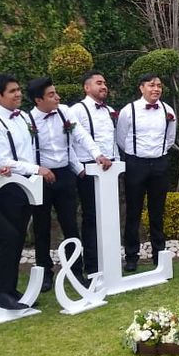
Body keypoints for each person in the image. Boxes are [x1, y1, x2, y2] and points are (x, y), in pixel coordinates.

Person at [26, 77, 112, 292]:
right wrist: (36, 170)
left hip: (65, 175)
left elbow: (81, 136)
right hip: (40, 176)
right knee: (41, 227)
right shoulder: (27, 120)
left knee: (71, 226)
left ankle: (76, 271)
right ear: (38, 100)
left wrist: (96, 155)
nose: (58, 97)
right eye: (52, 95)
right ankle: (45, 273)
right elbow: (25, 151)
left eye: (56, 93)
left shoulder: (65, 111)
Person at [0, 74, 54, 309]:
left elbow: (28, 150)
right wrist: (36, 169)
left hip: (27, 185)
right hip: (7, 187)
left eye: (18, 89)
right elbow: (3, 160)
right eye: (12, 91)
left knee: (17, 238)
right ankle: (3, 292)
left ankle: (10, 289)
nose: (18, 94)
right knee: (9, 237)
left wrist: (33, 172)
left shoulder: (23, 116)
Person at [116, 73, 176, 273]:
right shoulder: (128, 110)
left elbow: (170, 138)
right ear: (141, 88)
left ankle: (159, 254)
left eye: (159, 85)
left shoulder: (168, 110)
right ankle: (131, 256)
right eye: (151, 85)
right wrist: (135, 156)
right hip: (135, 164)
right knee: (133, 212)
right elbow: (121, 138)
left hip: (159, 163)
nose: (156, 89)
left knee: (157, 211)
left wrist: (159, 154)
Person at [69, 71, 119, 276]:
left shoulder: (110, 110)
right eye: (99, 83)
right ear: (86, 87)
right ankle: (92, 266)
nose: (104, 86)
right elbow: (70, 143)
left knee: (110, 216)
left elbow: (115, 140)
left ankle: (111, 263)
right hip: (88, 169)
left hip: (111, 169)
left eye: (105, 82)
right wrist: (78, 169)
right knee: (91, 217)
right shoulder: (76, 111)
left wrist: (117, 163)